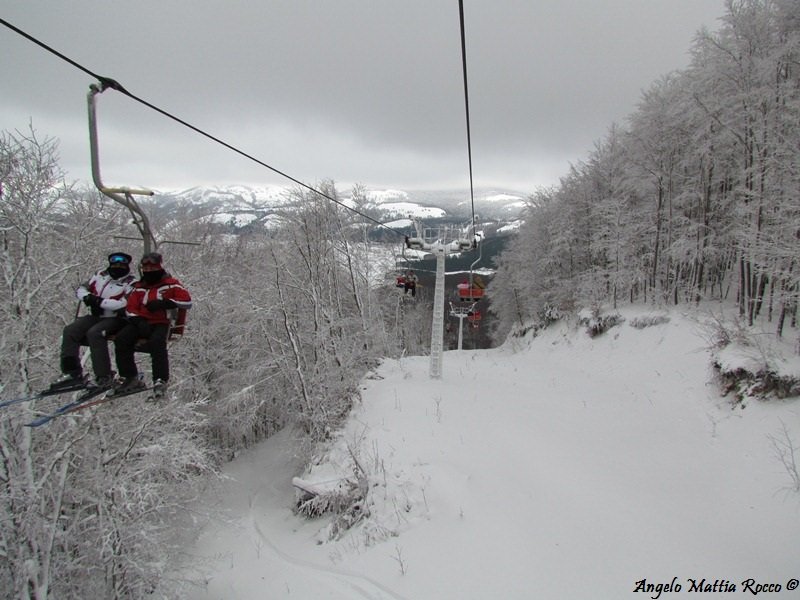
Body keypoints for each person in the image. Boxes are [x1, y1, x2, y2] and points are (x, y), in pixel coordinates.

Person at [110, 252, 192, 400]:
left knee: (157, 342)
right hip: (141, 322)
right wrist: (138, 320)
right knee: (122, 339)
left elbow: (187, 301)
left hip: (161, 322)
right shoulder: (140, 287)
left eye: (152, 268)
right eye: (145, 269)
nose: (148, 272)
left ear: (159, 268)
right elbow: (130, 307)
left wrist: (167, 303)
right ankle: (129, 376)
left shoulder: (171, 284)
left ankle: (160, 379)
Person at [50, 252, 136, 391]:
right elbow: (81, 289)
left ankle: (104, 375)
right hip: (95, 316)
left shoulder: (131, 282)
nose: (118, 265)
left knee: (95, 333)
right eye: (115, 263)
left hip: (116, 318)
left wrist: (100, 302)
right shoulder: (100, 275)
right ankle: (72, 372)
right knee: (71, 330)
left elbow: (122, 303)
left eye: (122, 263)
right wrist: (88, 297)